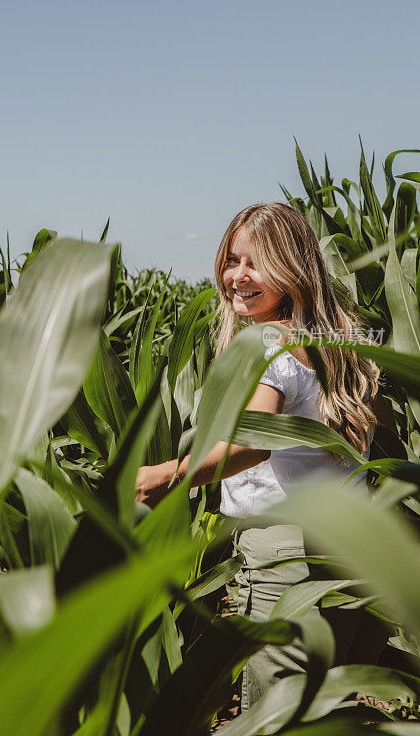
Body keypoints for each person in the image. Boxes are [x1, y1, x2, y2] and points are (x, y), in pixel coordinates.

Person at [135, 202, 398, 714]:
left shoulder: (268, 343)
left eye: (255, 263)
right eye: (231, 260)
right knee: (327, 708)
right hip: (350, 549)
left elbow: (254, 440)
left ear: (292, 269)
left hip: (286, 556)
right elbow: (380, 426)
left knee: (277, 712)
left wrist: (170, 475)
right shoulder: (342, 341)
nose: (237, 276)